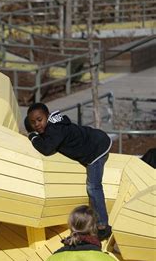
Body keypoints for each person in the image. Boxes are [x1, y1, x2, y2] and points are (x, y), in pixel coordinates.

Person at [25, 103, 113, 240]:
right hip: (96, 139)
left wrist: (33, 137)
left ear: (47, 117)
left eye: (39, 119)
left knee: (93, 187)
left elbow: (47, 149)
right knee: (93, 186)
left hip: (97, 150)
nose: (37, 124)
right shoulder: (55, 125)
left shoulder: (55, 130)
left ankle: (103, 226)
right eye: (33, 122)